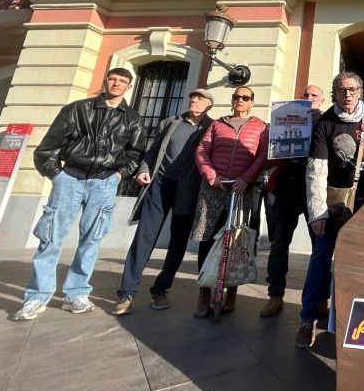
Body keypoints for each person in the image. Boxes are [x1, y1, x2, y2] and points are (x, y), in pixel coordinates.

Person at [13, 68, 145, 321]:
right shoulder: (78, 109)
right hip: (70, 177)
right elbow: (49, 146)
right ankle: (37, 296)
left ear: (129, 87)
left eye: (122, 81)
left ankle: (76, 293)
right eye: (112, 79)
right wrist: (56, 174)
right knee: (50, 237)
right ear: (105, 81)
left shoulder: (132, 118)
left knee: (92, 239)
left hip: (104, 182)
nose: (116, 84)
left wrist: (119, 175)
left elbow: (135, 153)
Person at [297, 71, 364, 348]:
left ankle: (355, 315)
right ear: (334, 93)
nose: (347, 95)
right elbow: (316, 171)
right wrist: (317, 214)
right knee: (321, 256)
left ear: (360, 92)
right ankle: (307, 319)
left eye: (352, 90)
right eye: (342, 90)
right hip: (333, 200)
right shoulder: (325, 122)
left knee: (361, 259)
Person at [113, 88, 215, 315]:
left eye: (200, 98)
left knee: (178, 243)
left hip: (188, 191)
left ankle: (161, 289)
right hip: (160, 185)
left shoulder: (211, 127)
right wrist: (144, 169)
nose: (194, 100)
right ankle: (127, 293)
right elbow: (153, 150)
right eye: (192, 97)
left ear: (209, 104)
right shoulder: (170, 122)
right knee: (144, 238)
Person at [191, 86, 269, 318]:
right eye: (236, 97)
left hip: (241, 189)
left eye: (245, 97)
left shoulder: (260, 127)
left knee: (237, 241)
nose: (240, 100)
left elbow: (263, 155)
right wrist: (211, 176)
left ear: (252, 102)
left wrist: (246, 179)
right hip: (214, 188)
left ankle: (231, 292)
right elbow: (202, 150)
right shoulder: (217, 124)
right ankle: (204, 291)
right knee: (206, 239)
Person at [260, 85, 325, 318]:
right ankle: (275, 296)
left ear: (321, 100)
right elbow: (271, 154)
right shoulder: (284, 116)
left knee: (319, 247)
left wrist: (318, 122)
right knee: (279, 244)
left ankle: (320, 298)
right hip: (285, 186)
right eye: (306, 95)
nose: (309, 98)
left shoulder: (326, 121)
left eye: (314, 95)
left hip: (313, 188)